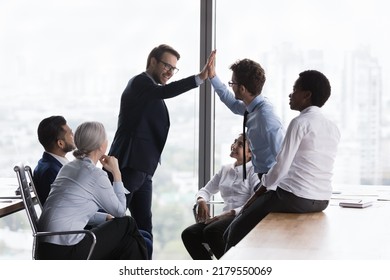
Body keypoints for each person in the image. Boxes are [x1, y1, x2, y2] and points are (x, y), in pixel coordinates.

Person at [107, 44, 215, 245]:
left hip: (143, 169)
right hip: (128, 166)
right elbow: (165, 92)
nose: (170, 72)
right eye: (167, 66)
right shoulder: (140, 83)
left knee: (144, 228)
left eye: (173, 69)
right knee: (114, 220)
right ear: (153, 62)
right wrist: (200, 77)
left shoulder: (149, 89)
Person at [223, 70, 341, 253]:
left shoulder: (300, 122)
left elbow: (281, 166)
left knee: (233, 232)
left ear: (307, 95)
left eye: (295, 89)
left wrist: (261, 189)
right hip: (322, 199)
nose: (290, 94)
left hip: (294, 197)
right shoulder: (333, 127)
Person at [37, 121, 148, 260]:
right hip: (66, 250)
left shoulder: (68, 167)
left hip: (44, 248)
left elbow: (74, 209)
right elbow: (120, 211)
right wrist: (116, 173)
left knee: (130, 243)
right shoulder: (95, 175)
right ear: (102, 146)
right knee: (128, 223)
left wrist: (104, 217)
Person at [208, 52, 285, 181]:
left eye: (232, 84)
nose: (231, 87)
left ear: (242, 89)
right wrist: (212, 76)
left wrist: (271, 184)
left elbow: (282, 155)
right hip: (263, 175)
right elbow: (232, 103)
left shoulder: (265, 116)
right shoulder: (251, 107)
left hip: (272, 179)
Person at [181, 133, 259, 260]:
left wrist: (229, 214)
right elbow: (205, 191)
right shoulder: (225, 169)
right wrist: (201, 200)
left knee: (211, 231)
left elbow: (254, 201)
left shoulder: (254, 171)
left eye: (240, 144)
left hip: (241, 217)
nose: (234, 146)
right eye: (235, 141)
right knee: (189, 234)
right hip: (223, 219)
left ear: (250, 153)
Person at [33, 116, 75, 205]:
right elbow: (70, 206)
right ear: (60, 143)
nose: (74, 136)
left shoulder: (48, 164)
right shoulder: (51, 171)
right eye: (71, 134)